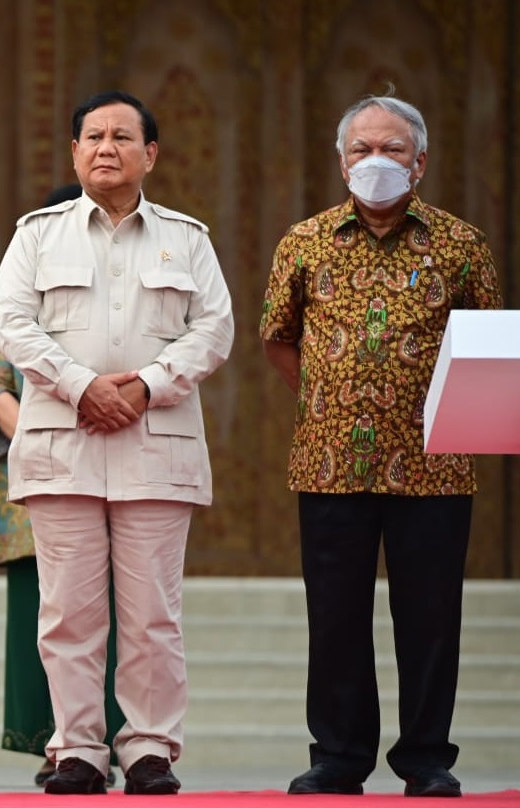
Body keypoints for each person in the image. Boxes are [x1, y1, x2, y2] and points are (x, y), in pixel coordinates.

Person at [259, 94, 502, 799]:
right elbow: (278, 339)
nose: (375, 162)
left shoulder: (461, 244)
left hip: (435, 461)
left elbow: (489, 345)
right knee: (334, 616)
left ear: (419, 162)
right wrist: (331, 397)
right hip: (329, 460)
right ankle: (338, 757)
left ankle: (425, 758)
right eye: (361, 149)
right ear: (340, 161)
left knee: (429, 618)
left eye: (391, 150)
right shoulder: (302, 242)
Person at [0, 91, 233, 795]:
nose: (106, 147)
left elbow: (213, 329)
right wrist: (80, 385)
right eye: (92, 136)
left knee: (153, 611)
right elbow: (12, 324)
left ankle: (151, 747)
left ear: (148, 154)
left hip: (154, 442)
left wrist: (147, 384)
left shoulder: (187, 238)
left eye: (122, 137)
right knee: (68, 610)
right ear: (73, 152)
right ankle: (77, 750)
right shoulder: (36, 234)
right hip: (62, 441)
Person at [0, 187, 127, 791]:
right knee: (49, 616)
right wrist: (59, 428)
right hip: (43, 476)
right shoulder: (19, 294)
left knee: (121, 617)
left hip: (120, 469)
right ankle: (58, 745)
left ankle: (121, 741)